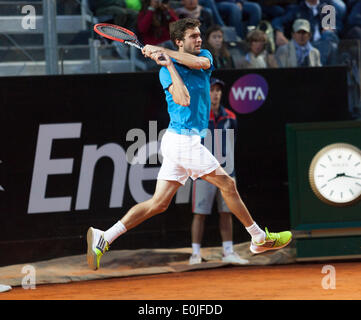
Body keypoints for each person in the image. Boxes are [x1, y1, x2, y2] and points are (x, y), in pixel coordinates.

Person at [86, 18, 292, 271]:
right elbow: (183, 99)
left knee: (158, 204)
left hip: (181, 141)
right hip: (181, 141)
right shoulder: (165, 72)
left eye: (199, 35)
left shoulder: (203, 56)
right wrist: (169, 65)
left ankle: (104, 237)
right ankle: (259, 238)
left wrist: (164, 52)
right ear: (179, 41)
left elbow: (200, 63)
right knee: (228, 184)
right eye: (193, 36)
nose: (199, 39)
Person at [189, 77, 248, 265]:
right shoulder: (198, 116)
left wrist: (230, 171)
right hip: (203, 174)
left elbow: (232, 144)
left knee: (227, 212)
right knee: (200, 214)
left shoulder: (230, 117)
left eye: (218, 91)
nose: (215, 94)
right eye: (212, 90)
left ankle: (228, 251)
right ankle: (195, 254)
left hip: (226, 173)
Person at [271, 0, 339, 66]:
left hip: (323, 42)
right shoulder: (297, 9)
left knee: (330, 39)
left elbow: (331, 28)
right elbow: (278, 21)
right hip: (307, 44)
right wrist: (279, 32)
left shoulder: (327, 5)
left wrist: (329, 27)